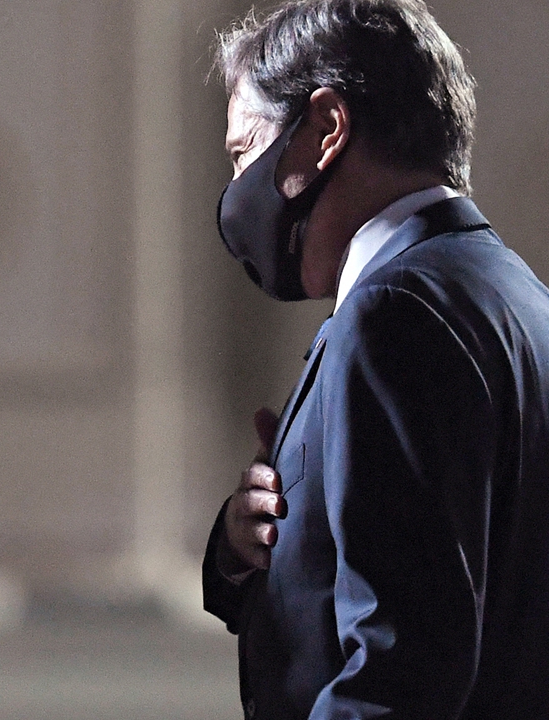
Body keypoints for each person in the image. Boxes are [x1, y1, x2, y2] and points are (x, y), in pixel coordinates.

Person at [202, 0, 549, 717]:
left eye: (245, 152)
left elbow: (403, 665)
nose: (238, 192)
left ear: (326, 128)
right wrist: (247, 545)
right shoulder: (515, 292)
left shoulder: (393, 311)